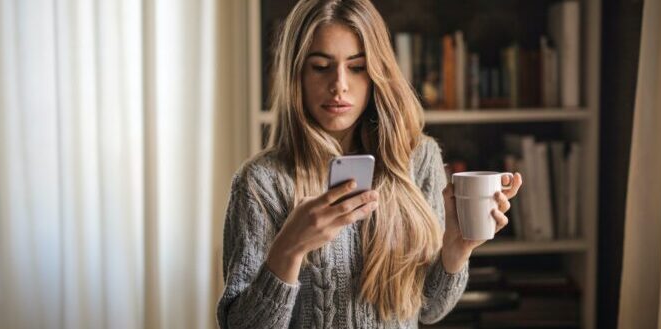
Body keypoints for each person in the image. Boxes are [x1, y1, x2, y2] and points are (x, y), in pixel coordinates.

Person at [216, 0, 523, 328]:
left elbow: (430, 310)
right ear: (297, 74)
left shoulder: (418, 160)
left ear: (377, 72)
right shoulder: (260, 182)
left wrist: (455, 251)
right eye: (321, 66)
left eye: (357, 66)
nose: (339, 85)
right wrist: (288, 250)